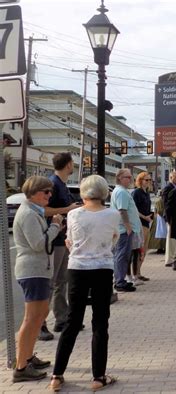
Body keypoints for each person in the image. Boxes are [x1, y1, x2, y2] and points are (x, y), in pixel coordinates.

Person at [48, 175, 120, 392]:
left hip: (77, 268)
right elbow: (114, 238)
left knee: (72, 321)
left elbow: (70, 240)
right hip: (102, 268)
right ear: (103, 192)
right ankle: (98, 376)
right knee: (100, 322)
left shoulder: (73, 214)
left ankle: (57, 375)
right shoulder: (112, 214)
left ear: (83, 192)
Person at [12, 176, 63, 382]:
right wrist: (56, 226)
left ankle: (27, 357)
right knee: (32, 318)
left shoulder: (34, 212)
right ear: (33, 193)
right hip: (32, 270)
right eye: (45, 192)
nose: (49, 196)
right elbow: (38, 243)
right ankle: (21, 366)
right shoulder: (28, 214)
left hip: (39, 270)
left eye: (50, 192)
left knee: (40, 314)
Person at [42, 152, 82, 340]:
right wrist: (68, 209)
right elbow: (45, 210)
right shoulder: (53, 184)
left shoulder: (62, 184)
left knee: (61, 281)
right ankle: (41, 323)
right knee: (51, 282)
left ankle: (61, 318)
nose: (73, 165)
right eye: (72, 163)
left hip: (64, 238)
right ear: (67, 165)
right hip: (55, 239)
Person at [110, 169, 142, 292]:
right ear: (119, 178)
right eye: (127, 177)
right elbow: (122, 210)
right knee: (122, 256)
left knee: (123, 255)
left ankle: (121, 279)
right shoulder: (121, 192)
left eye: (130, 177)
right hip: (124, 230)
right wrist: (128, 226)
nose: (130, 179)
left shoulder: (122, 191)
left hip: (125, 229)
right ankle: (119, 282)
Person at [131, 172, 153, 283]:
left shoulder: (146, 193)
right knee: (140, 249)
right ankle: (136, 273)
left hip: (146, 222)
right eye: (146, 180)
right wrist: (145, 217)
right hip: (140, 223)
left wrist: (150, 215)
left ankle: (138, 272)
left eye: (149, 180)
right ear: (140, 180)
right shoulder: (137, 193)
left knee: (144, 249)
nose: (148, 182)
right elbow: (133, 210)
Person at [163, 171, 176, 267]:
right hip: (171, 217)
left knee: (174, 239)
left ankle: (174, 257)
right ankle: (169, 260)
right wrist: (169, 219)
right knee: (170, 239)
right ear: (171, 177)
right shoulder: (168, 188)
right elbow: (166, 205)